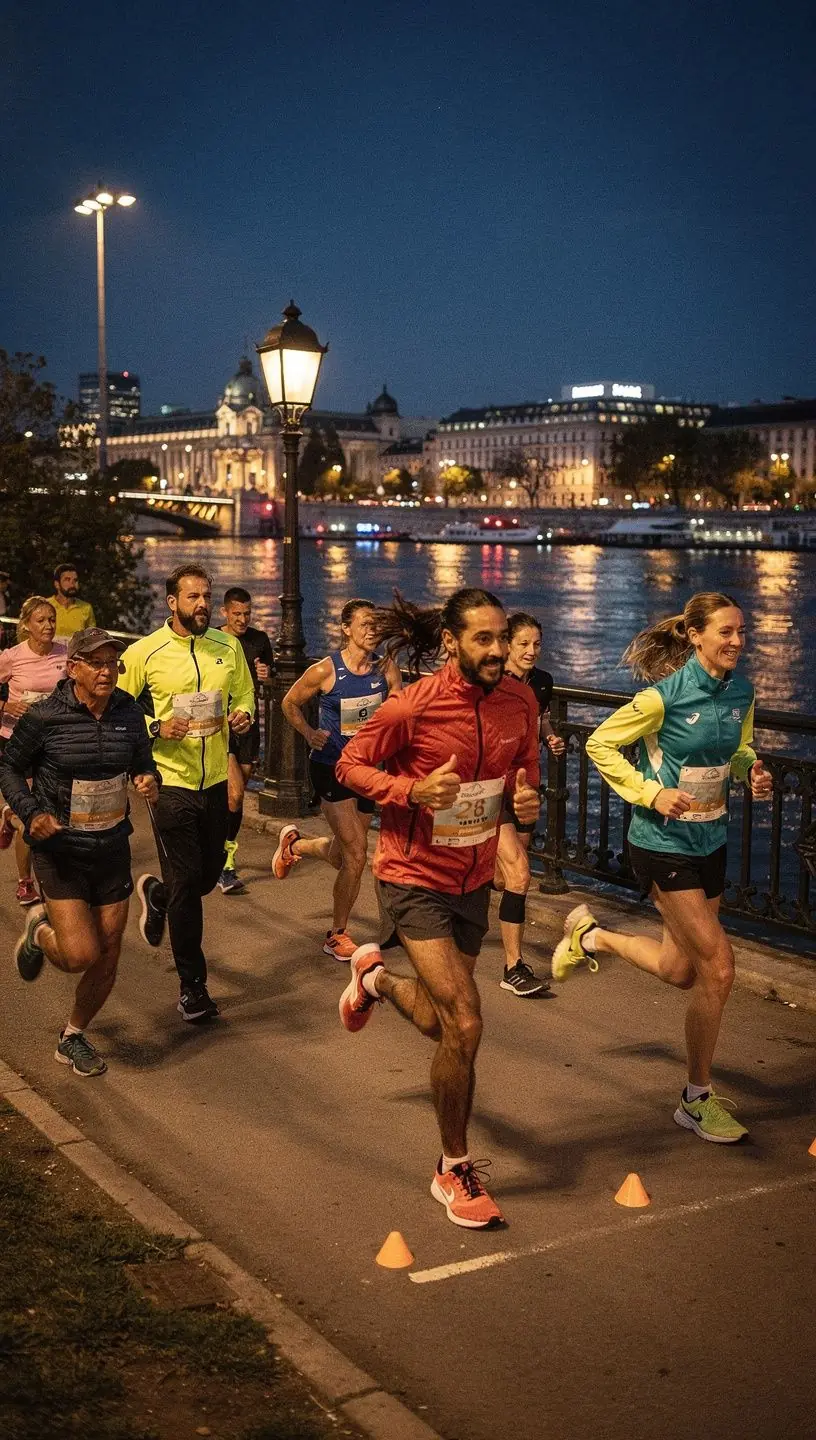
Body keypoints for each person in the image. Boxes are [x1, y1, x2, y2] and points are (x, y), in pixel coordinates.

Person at [333, 589, 540, 1228]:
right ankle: (453, 1168)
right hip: (411, 875)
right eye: (484, 639)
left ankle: (371, 978)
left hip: (472, 879)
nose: (499, 650)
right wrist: (411, 789)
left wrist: (523, 804)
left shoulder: (520, 700)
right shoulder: (414, 705)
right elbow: (348, 765)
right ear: (451, 642)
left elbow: (522, 773)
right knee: (467, 1021)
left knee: (435, 1018)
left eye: (502, 637)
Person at [554, 592, 773, 1143]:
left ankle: (593, 938)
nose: (736, 641)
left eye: (741, 631)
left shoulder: (741, 693)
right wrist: (650, 793)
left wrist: (753, 772)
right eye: (725, 631)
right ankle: (696, 1099)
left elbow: (738, 749)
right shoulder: (662, 698)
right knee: (718, 966)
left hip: (710, 839)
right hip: (661, 843)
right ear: (695, 636)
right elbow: (601, 744)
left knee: (681, 971)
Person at [0, 628, 160, 1077]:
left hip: (111, 847)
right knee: (80, 956)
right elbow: (9, 767)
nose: (107, 671)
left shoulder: (130, 713)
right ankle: (39, 931)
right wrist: (30, 813)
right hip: (61, 850)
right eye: (97, 663)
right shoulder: (46, 717)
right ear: (74, 669)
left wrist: (149, 780)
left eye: (113, 662)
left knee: (109, 952)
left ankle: (72, 1036)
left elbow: (143, 762)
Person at [118, 564, 255, 1022]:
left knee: (205, 875)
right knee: (187, 889)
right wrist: (155, 726)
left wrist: (243, 717)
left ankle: (157, 895)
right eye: (192, 597)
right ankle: (193, 987)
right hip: (168, 783)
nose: (202, 604)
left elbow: (244, 697)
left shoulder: (228, 646)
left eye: (206, 596)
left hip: (214, 779)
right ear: (172, 603)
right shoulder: (145, 652)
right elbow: (114, 708)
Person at [272, 599, 401, 960]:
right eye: (364, 624)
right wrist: (309, 732)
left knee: (345, 856)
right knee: (358, 854)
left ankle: (295, 846)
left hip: (368, 771)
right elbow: (289, 703)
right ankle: (337, 934)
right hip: (331, 767)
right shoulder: (325, 671)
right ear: (346, 629)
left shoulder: (386, 668)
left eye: (376, 624)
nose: (372, 630)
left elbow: (400, 712)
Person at [494, 612, 566, 998]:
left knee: (506, 877)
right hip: (491, 783)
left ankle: (476, 877)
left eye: (536, 644)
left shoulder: (542, 682)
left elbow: (543, 719)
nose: (531, 651)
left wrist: (551, 737)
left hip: (526, 784)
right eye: (523, 643)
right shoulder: (490, 681)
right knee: (520, 873)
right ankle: (513, 966)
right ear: (506, 644)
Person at [0, 597, 68, 905]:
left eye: (52, 619)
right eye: (41, 620)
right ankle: (25, 882)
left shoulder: (65, 654)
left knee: (48, 808)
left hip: (52, 742)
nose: (49, 625)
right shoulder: (12, 657)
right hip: (16, 741)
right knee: (32, 815)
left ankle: (7, 815)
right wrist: (4, 704)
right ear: (26, 625)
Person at [218, 586, 276, 893]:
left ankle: (221, 850)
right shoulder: (213, 639)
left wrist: (267, 673)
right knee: (235, 795)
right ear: (224, 612)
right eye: (237, 614)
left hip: (248, 726)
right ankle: (226, 864)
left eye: (247, 614)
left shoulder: (259, 640)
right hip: (221, 726)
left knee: (233, 801)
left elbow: (269, 675)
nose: (242, 619)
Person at [50, 564, 96, 638]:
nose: (72, 583)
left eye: (75, 580)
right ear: (57, 584)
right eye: (67, 580)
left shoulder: (86, 608)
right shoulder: (45, 605)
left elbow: (92, 638)